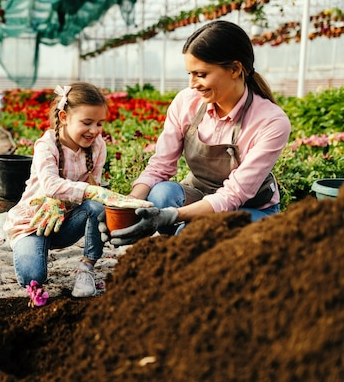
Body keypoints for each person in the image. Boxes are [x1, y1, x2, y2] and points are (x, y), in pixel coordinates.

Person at [100, 20, 292, 247]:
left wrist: (173, 216)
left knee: (195, 232)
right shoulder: (187, 102)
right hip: (199, 194)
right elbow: (161, 166)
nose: (192, 84)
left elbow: (233, 195)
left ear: (235, 69)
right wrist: (128, 205)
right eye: (190, 73)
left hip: (249, 209)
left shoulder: (271, 121)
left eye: (201, 74)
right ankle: (186, 242)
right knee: (161, 195)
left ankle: (187, 243)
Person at [3, 82, 150, 297]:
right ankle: (24, 243)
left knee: (96, 205)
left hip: (67, 223)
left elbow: (94, 190)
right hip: (33, 222)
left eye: (100, 123)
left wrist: (96, 195)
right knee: (32, 278)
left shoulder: (98, 146)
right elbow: (51, 185)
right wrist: (92, 191)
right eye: (87, 122)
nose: (94, 130)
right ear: (64, 117)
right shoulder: (47, 145)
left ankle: (86, 268)